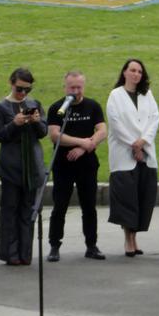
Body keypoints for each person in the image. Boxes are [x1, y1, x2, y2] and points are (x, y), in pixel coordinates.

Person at [47, 70, 107, 262]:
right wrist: (82, 142)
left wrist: (84, 147)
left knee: (89, 206)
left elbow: (102, 131)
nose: (76, 91)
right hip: (63, 165)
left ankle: (91, 245)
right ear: (65, 87)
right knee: (60, 206)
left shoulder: (92, 106)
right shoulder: (58, 108)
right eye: (72, 87)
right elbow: (55, 135)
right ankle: (54, 245)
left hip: (87, 164)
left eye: (79, 87)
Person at [0, 67, 47, 266]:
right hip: (11, 166)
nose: (23, 94)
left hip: (32, 166)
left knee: (28, 210)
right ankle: (10, 253)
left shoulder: (34, 104)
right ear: (11, 84)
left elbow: (43, 133)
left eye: (27, 90)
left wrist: (36, 122)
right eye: (19, 89)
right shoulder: (1, 107)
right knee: (10, 210)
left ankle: (25, 253)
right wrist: (14, 123)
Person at [106, 58, 159, 256]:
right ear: (125, 72)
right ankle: (128, 239)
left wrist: (142, 142)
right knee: (127, 199)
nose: (136, 74)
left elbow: (154, 119)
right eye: (132, 70)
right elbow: (115, 123)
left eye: (139, 71)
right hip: (124, 154)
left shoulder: (147, 95)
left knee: (142, 197)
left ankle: (135, 237)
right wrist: (133, 144)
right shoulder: (115, 95)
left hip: (145, 152)